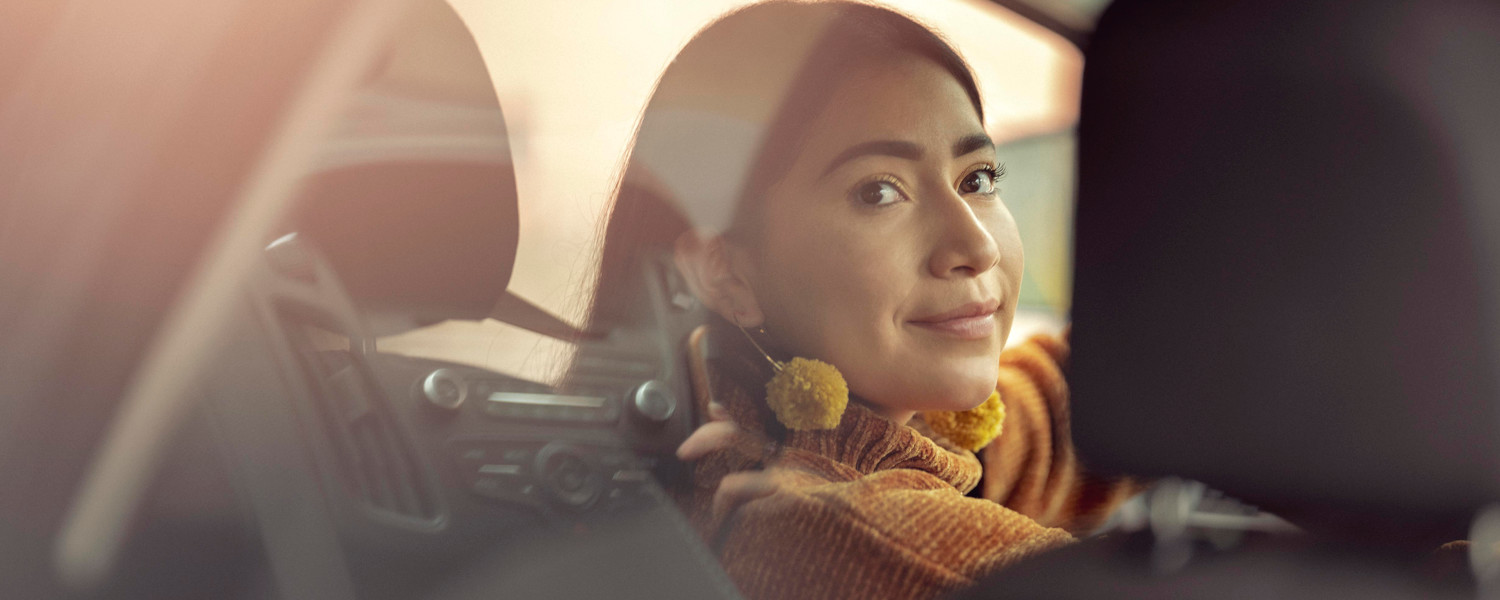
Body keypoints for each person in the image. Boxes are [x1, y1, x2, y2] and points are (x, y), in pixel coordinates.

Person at [578, 3, 1135, 598]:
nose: (975, 245)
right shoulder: (844, 531)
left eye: (978, 180)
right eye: (878, 192)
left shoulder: (783, 432)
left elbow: (1059, 408)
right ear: (727, 276)